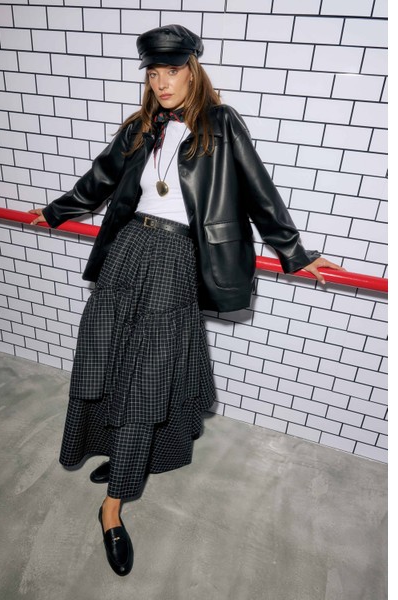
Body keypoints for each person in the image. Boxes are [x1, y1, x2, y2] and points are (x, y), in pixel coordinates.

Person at [29, 24, 344, 576]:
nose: (162, 82)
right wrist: (55, 211)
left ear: (192, 71)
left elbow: (259, 191)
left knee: (148, 378)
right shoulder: (141, 126)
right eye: (154, 72)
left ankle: (112, 508)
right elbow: (100, 178)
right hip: (127, 251)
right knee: (106, 358)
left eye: (172, 70)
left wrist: (296, 253)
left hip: (176, 261)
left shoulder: (220, 124)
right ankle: (120, 454)